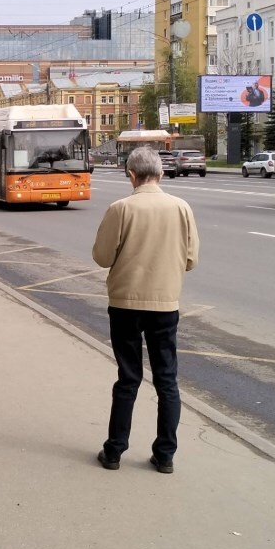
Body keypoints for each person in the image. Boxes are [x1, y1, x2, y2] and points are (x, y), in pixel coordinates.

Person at [90, 147, 199, 473]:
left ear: (131, 175)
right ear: (161, 174)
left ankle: (113, 452)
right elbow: (191, 259)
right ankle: (164, 455)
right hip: (165, 303)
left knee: (128, 378)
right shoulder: (181, 208)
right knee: (167, 380)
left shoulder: (121, 208)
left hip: (124, 303)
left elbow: (102, 257)